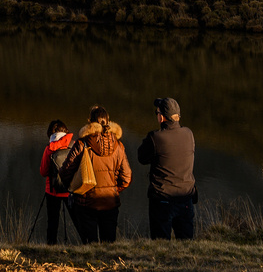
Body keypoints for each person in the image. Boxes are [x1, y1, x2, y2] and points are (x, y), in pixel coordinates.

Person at [66, 106, 131, 243]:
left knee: (89, 245)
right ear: (108, 122)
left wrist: (75, 188)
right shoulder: (118, 146)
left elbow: (65, 171)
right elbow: (126, 177)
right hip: (110, 202)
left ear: (90, 123)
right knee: (109, 244)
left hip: (86, 202)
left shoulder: (81, 144)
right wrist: (112, 190)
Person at [137, 96, 196, 240]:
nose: (156, 115)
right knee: (186, 243)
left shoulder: (155, 137)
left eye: (157, 113)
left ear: (162, 117)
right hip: (185, 197)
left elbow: (141, 158)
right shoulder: (189, 134)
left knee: (160, 245)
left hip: (162, 199)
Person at [37, 119, 74, 244]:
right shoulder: (74, 145)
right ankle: (87, 244)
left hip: (52, 191)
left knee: (52, 222)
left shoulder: (49, 149)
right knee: (79, 220)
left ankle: (51, 246)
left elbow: (43, 172)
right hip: (71, 190)